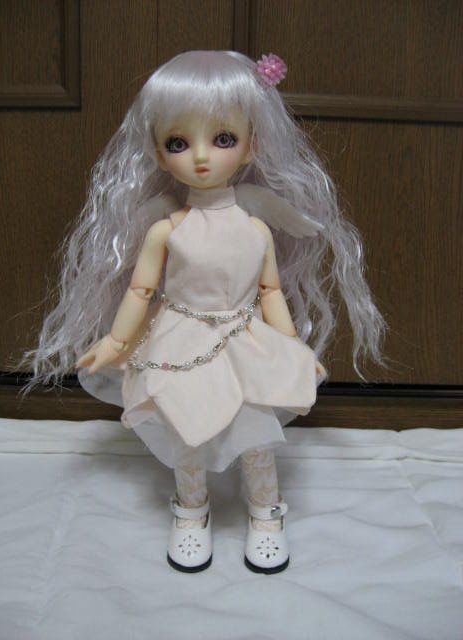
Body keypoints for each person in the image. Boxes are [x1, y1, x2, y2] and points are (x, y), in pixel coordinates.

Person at [24, 51, 386, 574]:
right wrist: (116, 342)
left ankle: (266, 512)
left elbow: (270, 292)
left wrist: (294, 349)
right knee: (185, 431)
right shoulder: (165, 229)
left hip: (244, 338)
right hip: (180, 338)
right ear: (157, 152)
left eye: (222, 139)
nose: (199, 157)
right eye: (178, 142)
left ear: (250, 146)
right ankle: (192, 511)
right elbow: (140, 291)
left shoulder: (257, 229)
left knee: (256, 434)